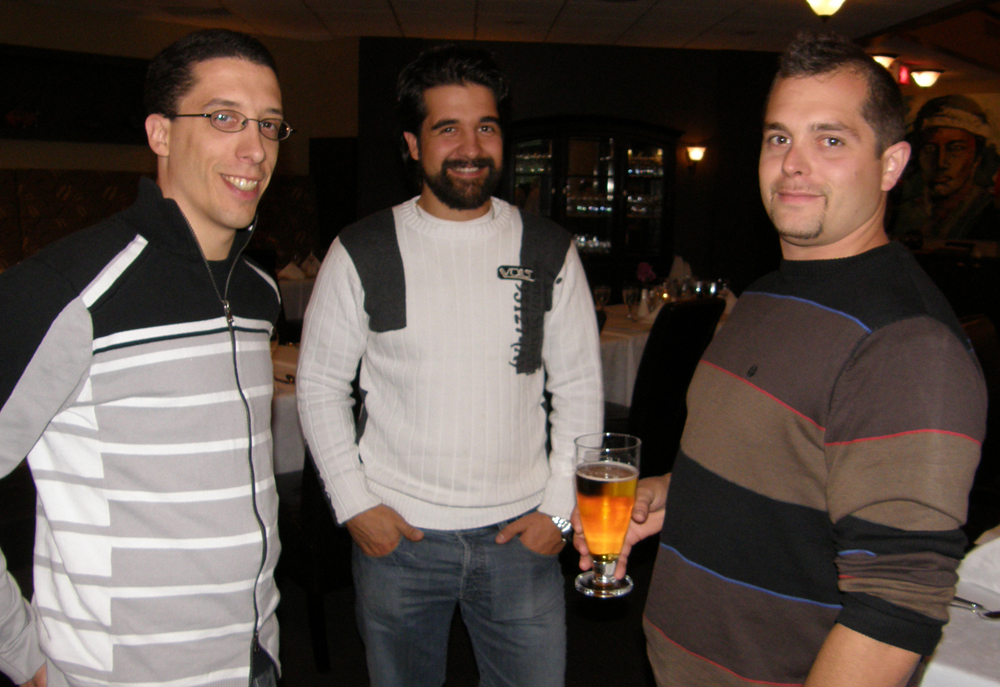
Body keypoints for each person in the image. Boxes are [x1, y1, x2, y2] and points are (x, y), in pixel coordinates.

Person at [575, 32, 986, 687]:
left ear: (891, 164)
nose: (794, 164)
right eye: (778, 137)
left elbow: (897, 601)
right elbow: (773, 471)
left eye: (831, 140)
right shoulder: (765, 295)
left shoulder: (907, 342)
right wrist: (667, 496)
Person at [297, 45, 602, 687]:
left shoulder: (548, 249)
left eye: (486, 126)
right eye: (447, 128)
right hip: (399, 541)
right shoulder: (362, 249)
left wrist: (559, 510)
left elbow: (578, 388)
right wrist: (353, 505)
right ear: (413, 144)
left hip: (521, 541)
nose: (471, 147)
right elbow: (320, 385)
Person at [0, 29, 291, 687]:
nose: (255, 148)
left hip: (253, 660)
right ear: (160, 133)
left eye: (269, 124)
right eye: (224, 118)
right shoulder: (66, 292)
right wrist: (23, 654)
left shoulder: (259, 292)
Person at [891, 94, 1000, 240]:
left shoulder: (991, 214)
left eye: (956, 148)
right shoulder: (903, 214)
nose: (940, 163)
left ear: (977, 157)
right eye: (930, 149)